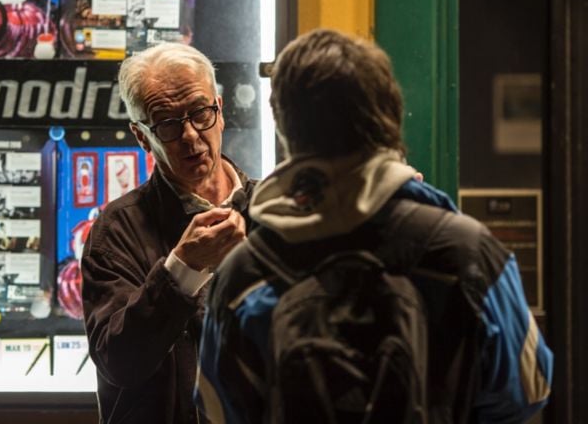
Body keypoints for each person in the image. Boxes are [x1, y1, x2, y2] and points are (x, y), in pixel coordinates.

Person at [195, 29, 553, 423]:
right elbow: (527, 391)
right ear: (390, 116)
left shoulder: (245, 273)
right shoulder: (467, 251)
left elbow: (218, 411)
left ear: (285, 128)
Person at [81, 42, 256, 424]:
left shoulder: (273, 210)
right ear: (143, 137)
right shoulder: (117, 231)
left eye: (199, 113)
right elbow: (120, 362)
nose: (191, 136)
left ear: (220, 110)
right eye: (168, 123)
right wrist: (182, 268)